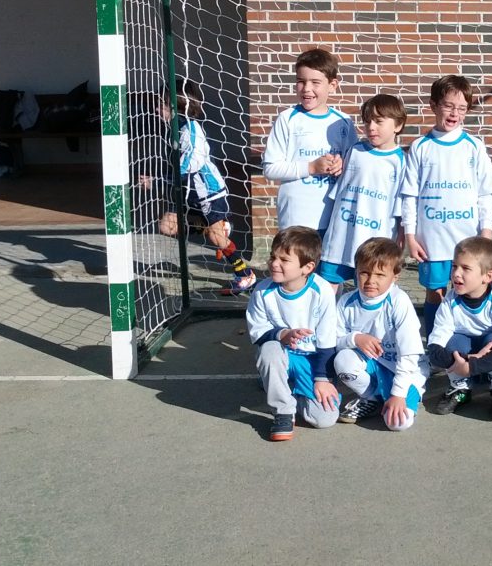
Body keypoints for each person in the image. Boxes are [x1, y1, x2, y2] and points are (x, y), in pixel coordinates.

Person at [400, 75, 492, 335]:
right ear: (434, 106)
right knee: (437, 294)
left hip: (467, 238)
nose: (455, 113)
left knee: (471, 292)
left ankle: (469, 342)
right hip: (432, 240)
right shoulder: (420, 147)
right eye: (448, 106)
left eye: (462, 108)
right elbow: (410, 195)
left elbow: (484, 194)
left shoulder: (474, 147)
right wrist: (410, 235)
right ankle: (436, 347)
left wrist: (485, 235)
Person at [140, 80, 257, 294]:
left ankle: (245, 275)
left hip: (209, 194)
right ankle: (214, 227)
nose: (156, 108)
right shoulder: (175, 129)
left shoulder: (191, 130)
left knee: (217, 239)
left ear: (176, 105)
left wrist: (161, 179)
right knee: (167, 226)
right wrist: (157, 180)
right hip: (189, 194)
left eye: (161, 103)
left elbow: (191, 162)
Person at [261, 48, 358, 288]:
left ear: (332, 85)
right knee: (295, 278)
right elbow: (270, 168)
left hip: (333, 216)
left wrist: (342, 165)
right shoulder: (287, 119)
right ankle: (295, 323)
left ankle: (326, 323)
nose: (307, 89)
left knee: (327, 281)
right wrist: (312, 167)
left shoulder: (343, 122)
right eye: (301, 82)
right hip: (297, 216)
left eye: (315, 82)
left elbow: (356, 163)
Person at [246, 226, 340, 441]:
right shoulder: (262, 291)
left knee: (323, 419)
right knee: (268, 351)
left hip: (313, 359)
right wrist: (282, 334)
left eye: (284, 260)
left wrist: (322, 378)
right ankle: (283, 411)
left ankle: (289, 385)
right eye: (273, 257)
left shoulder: (322, 290)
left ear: (307, 267)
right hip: (284, 354)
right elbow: (258, 332)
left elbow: (327, 341)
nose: (274, 264)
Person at [332, 237, 426, 430]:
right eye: (364, 273)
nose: (371, 280)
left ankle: (401, 394)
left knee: (398, 423)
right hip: (372, 365)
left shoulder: (399, 301)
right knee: (343, 360)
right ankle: (372, 398)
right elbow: (333, 340)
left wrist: (398, 394)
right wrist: (355, 338)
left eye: (380, 275)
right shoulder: (346, 301)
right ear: (356, 271)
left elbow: (410, 353)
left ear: (395, 276)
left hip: (403, 370)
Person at [319, 94, 407, 286]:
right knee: (328, 286)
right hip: (342, 235)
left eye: (378, 121)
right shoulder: (355, 151)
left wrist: (401, 234)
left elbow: (401, 204)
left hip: (376, 237)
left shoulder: (400, 161)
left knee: (370, 286)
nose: (371, 127)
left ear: (397, 126)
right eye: (367, 122)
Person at [426, 236, 492, 414]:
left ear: (488, 276)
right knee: (452, 342)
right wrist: (461, 365)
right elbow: (434, 349)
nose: (456, 274)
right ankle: (460, 389)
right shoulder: (448, 303)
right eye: (454, 266)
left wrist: (472, 366)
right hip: (464, 359)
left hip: (486, 357)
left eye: (466, 268)